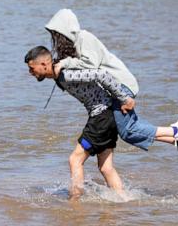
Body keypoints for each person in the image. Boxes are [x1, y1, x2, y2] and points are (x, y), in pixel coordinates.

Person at [45, 9, 178, 161]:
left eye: (56, 35)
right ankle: (177, 140)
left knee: (128, 131)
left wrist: (65, 62)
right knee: (132, 127)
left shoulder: (84, 38)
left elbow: (90, 65)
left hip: (120, 84)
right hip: (116, 85)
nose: (55, 40)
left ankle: (177, 130)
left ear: (65, 31)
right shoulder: (76, 44)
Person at [25, 45, 131, 199]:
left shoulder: (65, 74)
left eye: (31, 68)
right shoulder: (59, 74)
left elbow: (101, 75)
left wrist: (124, 98)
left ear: (43, 64)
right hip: (106, 116)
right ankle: (124, 201)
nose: (30, 73)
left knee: (75, 159)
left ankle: (75, 203)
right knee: (105, 167)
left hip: (101, 116)